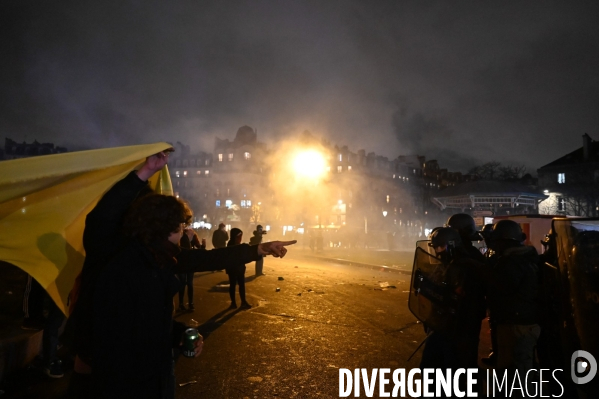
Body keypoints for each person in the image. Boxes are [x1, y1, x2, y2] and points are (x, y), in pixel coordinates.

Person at [92, 192, 295, 398]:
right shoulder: (130, 267)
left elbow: (210, 259)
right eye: (181, 226)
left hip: (153, 368)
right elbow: (126, 332)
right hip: (131, 380)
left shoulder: (159, 255)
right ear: (165, 226)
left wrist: (259, 249)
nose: (183, 232)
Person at [483, 220, 540, 378]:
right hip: (522, 320)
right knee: (517, 367)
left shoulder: (511, 262)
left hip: (516, 323)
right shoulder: (527, 257)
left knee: (518, 370)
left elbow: (502, 288)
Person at [177, 228, 203, 311]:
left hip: (186, 263)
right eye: (190, 233)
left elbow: (199, 248)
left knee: (186, 283)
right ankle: (186, 304)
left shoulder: (187, 238)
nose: (191, 233)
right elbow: (197, 247)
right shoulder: (185, 237)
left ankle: (186, 304)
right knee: (186, 283)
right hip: (186, 263)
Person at [226, 228, 251, 309]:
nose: (240, 238)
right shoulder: (230, 245)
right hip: (233, 269)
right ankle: (233, 303)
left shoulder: (238, 245)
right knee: (233, 285)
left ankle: (243, 302)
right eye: (239, 237)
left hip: (240, 268)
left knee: (241, 285)